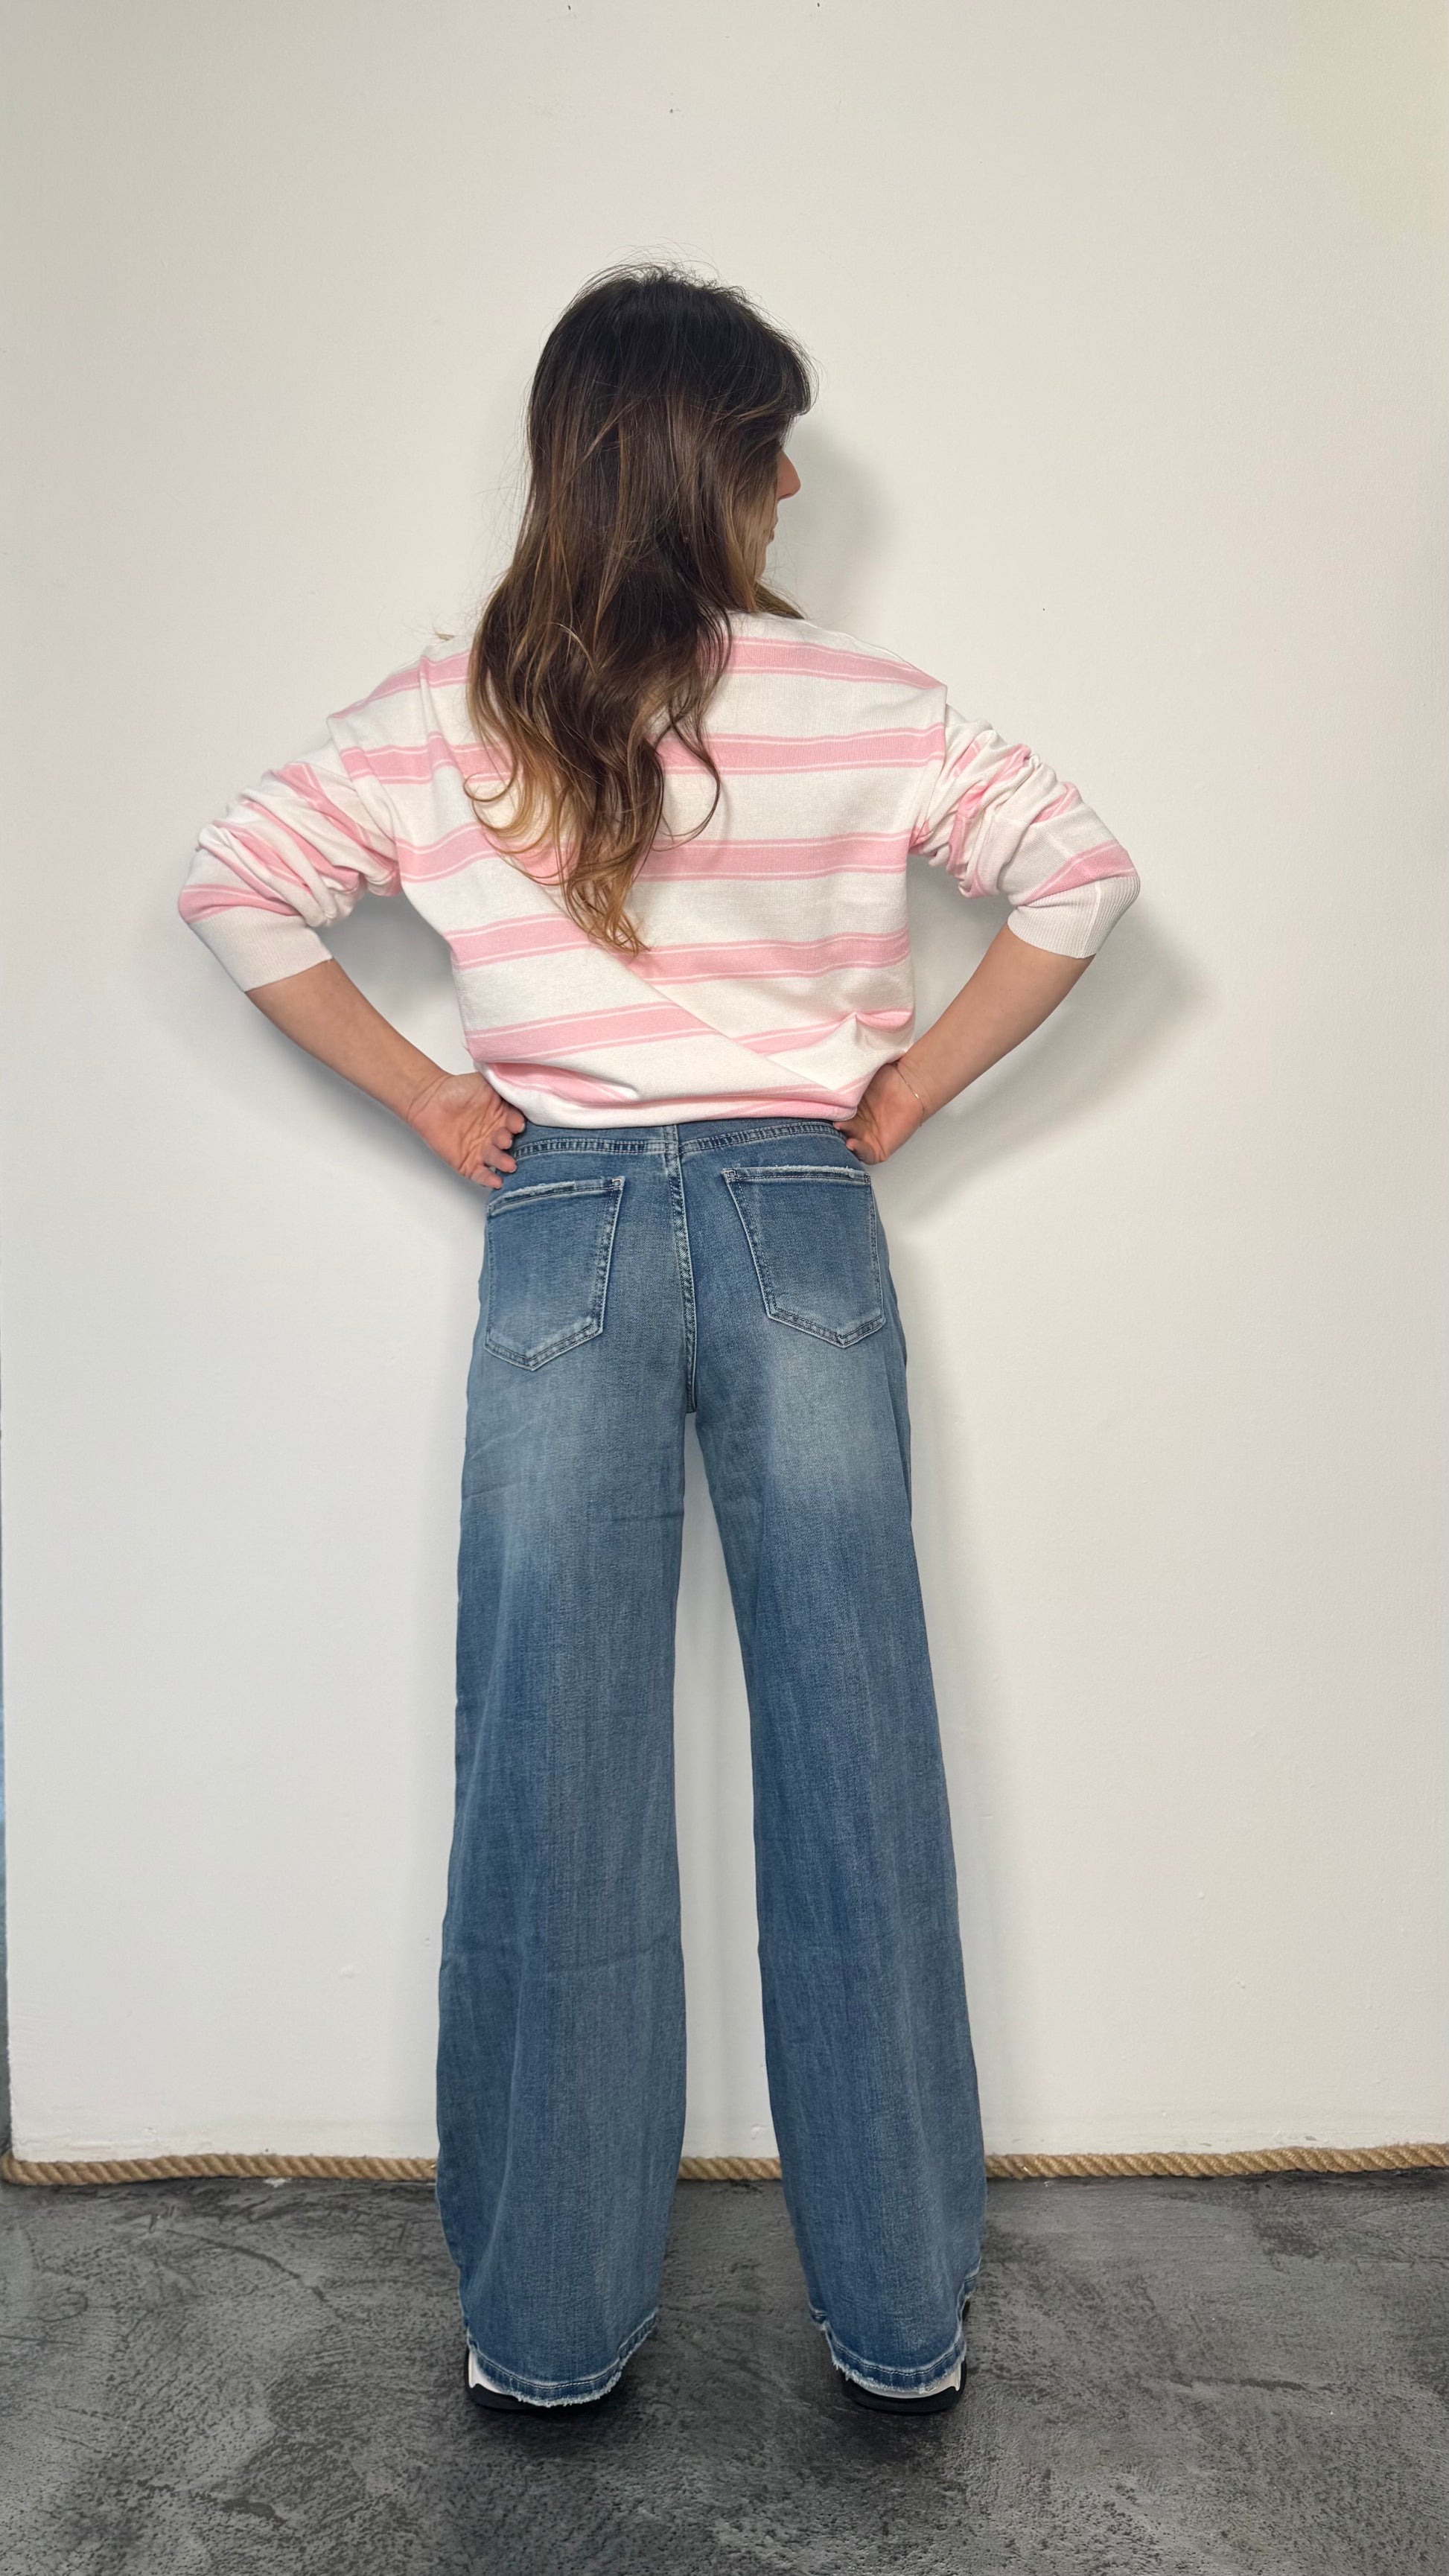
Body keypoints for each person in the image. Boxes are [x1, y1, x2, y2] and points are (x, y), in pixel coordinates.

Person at [179, 264, 1141, 2420]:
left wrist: (440, 1100)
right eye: (774, 451)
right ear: (716, 468)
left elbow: (236, 885)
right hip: (803, 1220)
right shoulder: (866, 704)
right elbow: (1077, 876)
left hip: (567, 1237)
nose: (794, 487)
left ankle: (544, 2327)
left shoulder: (457, 704)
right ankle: (897, 2316)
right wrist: (905, 1088)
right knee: (857, 1754)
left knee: (550, 1767)